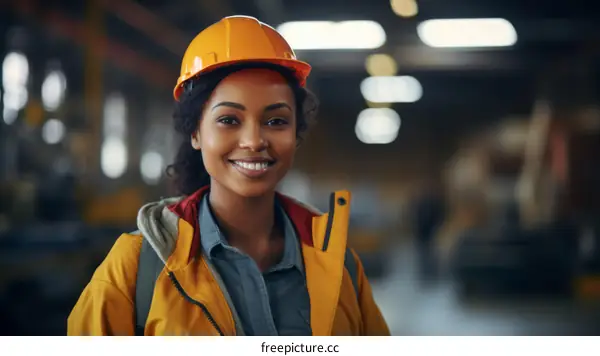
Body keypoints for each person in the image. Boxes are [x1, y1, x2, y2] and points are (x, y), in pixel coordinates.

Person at [67, 15, 389, 336]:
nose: (254, 141)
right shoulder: (135, 270)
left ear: (296, 133)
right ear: (195, 132)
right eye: (229, 120)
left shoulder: (339, 267)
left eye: (276, 121)